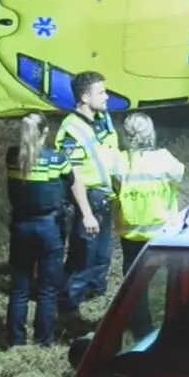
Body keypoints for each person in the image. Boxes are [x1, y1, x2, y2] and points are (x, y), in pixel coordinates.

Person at [58, 71, 122, 326]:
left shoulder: (103, 119)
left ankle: (96, 297)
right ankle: (68, 308)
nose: (106, 97)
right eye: (101, 92)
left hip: (105, 197)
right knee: (83, 257)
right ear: (85, 98)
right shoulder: (71, 130)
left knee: (102, 255)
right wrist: (85, 213)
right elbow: (74, 175)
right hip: (89, 200)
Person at [112, 112, 183, 339]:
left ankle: (142, 331)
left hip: (131, 232)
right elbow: (179, 175)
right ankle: (174, 323)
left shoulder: (120, 161)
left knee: (136, 285)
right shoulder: (164, 158)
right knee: (172, 279)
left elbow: (115, 185)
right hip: (162, 231)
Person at [4, 113, 70, 348]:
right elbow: (70, 180)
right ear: (45, 132)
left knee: (19, 288)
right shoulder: (55, 159)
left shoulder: (12, 157)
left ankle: (16, 340)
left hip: (21, 227)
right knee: (47, 289)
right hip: (48, 227)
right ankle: (43, 340)